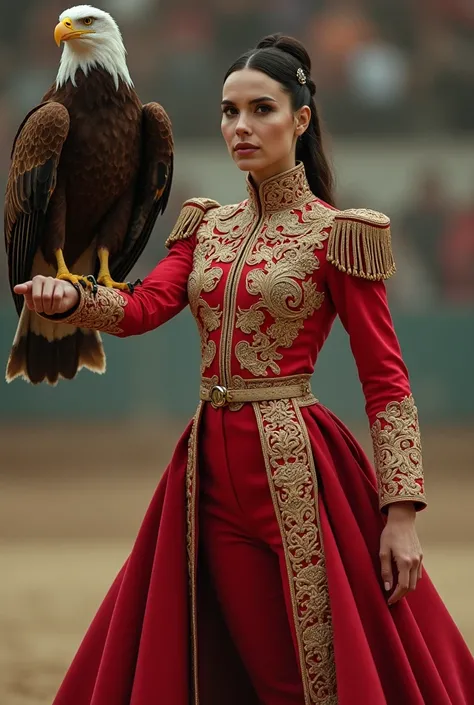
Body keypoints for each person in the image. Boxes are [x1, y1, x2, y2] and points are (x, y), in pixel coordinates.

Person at [14, 34, 474, 705]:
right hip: (210, 473)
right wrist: (75, 296)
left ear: (302, 119)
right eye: (230, 112)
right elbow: (144, 306)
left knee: (313, 668)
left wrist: (400, 512)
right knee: (249, 661)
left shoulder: (339, 233)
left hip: (300, 470)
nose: (241, 127)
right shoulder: (205, 226)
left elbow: (387, 380)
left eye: (262, 109)